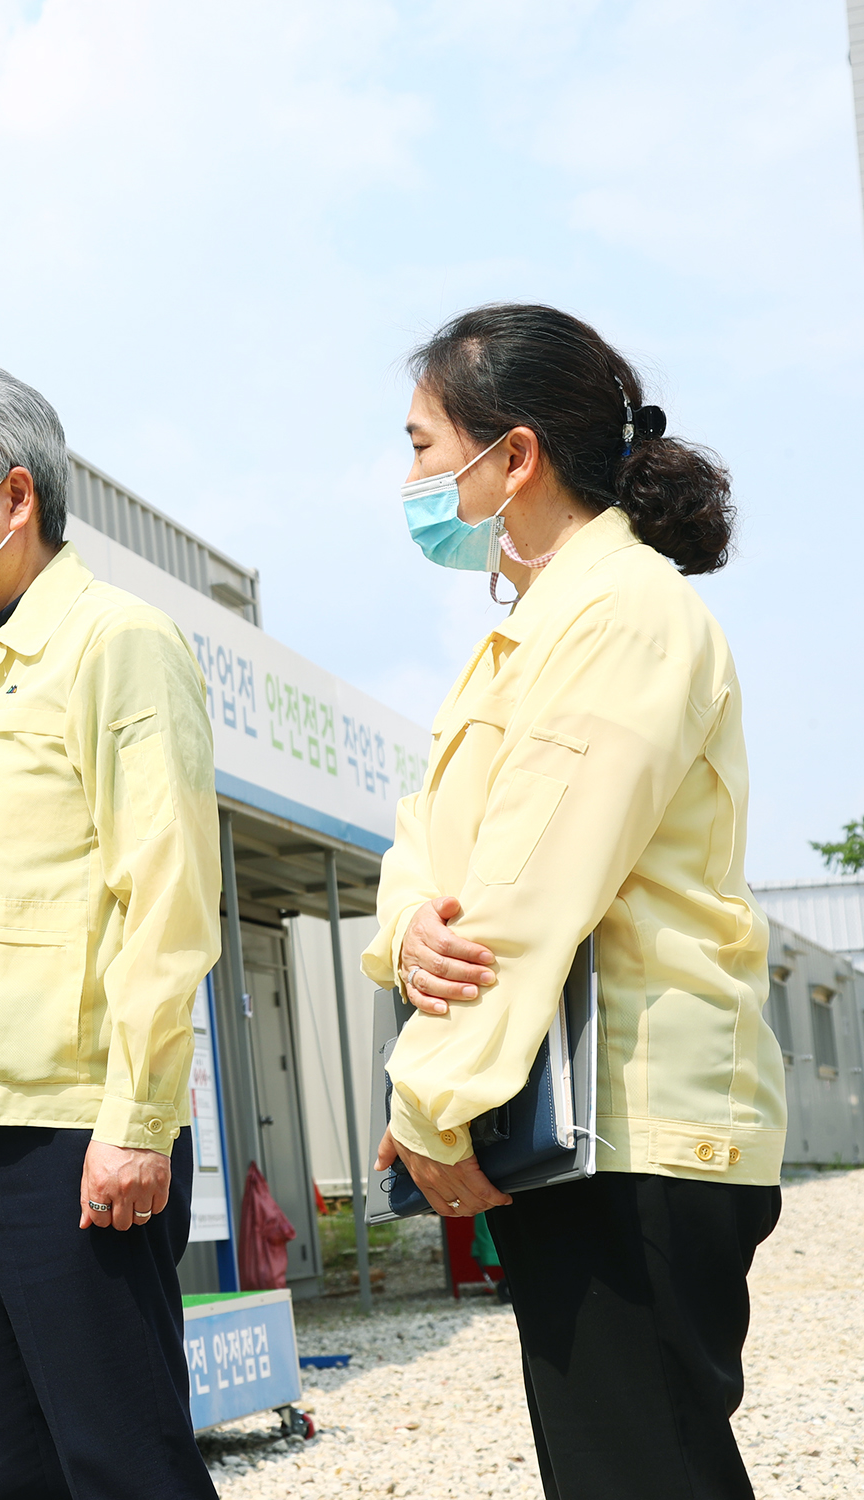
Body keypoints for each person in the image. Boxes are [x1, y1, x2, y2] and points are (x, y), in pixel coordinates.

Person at [365, 304, 784, 1500]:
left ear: (515, 456)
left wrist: (434, 1098)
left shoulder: (624, 613)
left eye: (422, 445)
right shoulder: (531, 629)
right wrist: (405, 932)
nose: (409, 479)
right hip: (573, 1125)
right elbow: (429, 851)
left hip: (641, 1129)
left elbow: (532, 882)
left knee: (644, 1474)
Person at [0, 359, 221, 1500]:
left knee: (122, 1463)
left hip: (74, 1133)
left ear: (12, 496)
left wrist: (137, 1122)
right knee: (15, 1472)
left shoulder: (117, 643)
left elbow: (164, 900)